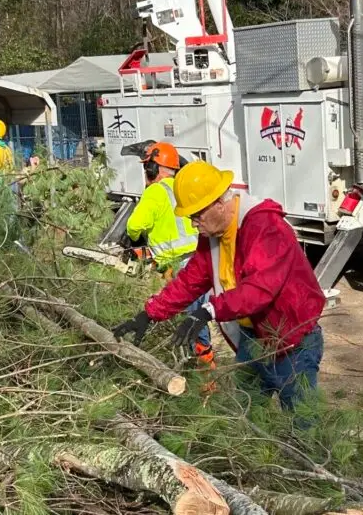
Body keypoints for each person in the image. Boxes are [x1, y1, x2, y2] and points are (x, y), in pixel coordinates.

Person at [113, 160, 325, 410]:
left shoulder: (265, 226)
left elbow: (260, 289)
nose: (193, 223)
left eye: (196, 215)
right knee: (249, 417)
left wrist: (209, 310)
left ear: (220, 203)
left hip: (291, 342)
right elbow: (191, 279)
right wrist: (149, 314)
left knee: (302, 424)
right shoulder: (214, 234)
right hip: (252, 338)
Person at [123, 143, 212, 361]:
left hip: (178, 265)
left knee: (190, 322)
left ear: (153, 169)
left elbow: (134, 225)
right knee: (196, 318)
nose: (145, 174)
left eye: (147, 168)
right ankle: (199, 363)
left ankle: (206, 373)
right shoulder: (182, 186)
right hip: (198, 260)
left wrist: (134, 240)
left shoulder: (155, 191)